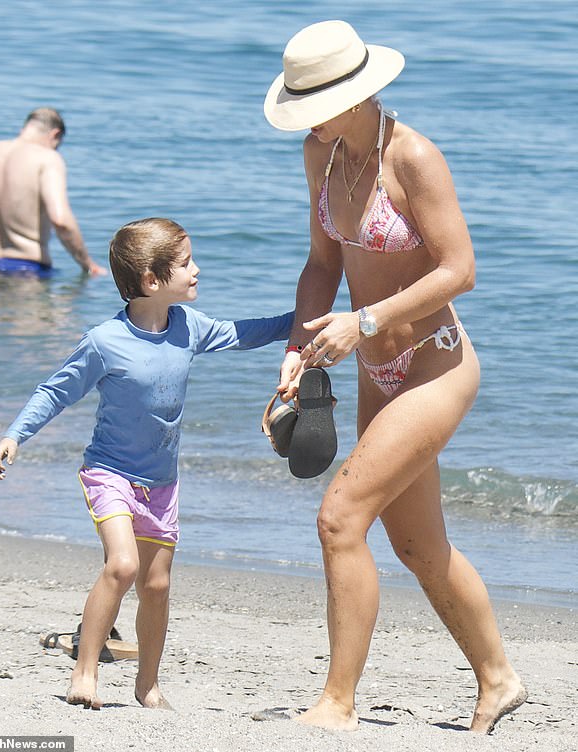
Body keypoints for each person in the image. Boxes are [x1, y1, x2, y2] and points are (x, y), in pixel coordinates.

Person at [264, 20, 526, 734]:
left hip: (436, 365)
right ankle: (498, 678)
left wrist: (366, 321)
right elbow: (322, 266)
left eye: (313, 102)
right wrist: (297, 350)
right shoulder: (320, 156)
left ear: (354, 93)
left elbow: (459, 269)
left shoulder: (413, 157)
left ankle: (337, 703)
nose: (307, 118)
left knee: (340, 519)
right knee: (416, 546)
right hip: (376, 373)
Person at [0, 216, 293, 709]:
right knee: (124, 565)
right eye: (186, 263)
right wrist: (14, 434)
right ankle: (84, 673)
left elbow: (247, 332)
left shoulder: (189, 327)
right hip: (109, 473)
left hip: (161, 482)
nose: (197, 270)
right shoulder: (104, 342)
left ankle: (147, 685)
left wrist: (306, 318)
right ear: (152, 281)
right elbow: (55, 391)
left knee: (156, 584)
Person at [0, 107, 105, 276]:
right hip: (27, 271)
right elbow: (61, 221)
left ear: (25, 128)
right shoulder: (48, 158)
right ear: (55, 135)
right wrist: (88, 264)